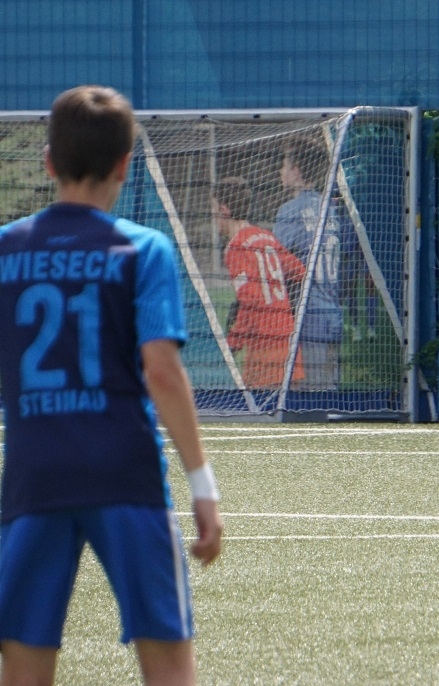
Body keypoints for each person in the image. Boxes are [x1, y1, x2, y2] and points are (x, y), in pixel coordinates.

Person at [0, 85, 223, 685]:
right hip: (125, 475)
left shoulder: (6, 250)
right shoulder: (142, 250)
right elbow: (162, 371)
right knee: (168, 660)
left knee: (23, 667)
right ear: (125, 165)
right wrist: (203, 486)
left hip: (34, 476)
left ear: (48, 161)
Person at [214, 177, 306, 389]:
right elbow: (300, 271)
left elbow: (251, 301)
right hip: (289, 347)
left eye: (213, 210)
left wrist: (233, 343)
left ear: (224, 210)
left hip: (264, 357)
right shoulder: (266, 236)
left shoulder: (236, 247)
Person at [273, 135, 343, 390]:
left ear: (296, 170)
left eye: (284, 165)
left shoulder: (290, 211)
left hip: (308, 316)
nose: (280, 171)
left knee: (307, 398)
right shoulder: (330, 209)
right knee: (330, 392)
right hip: (333, 313)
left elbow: (274, 263)